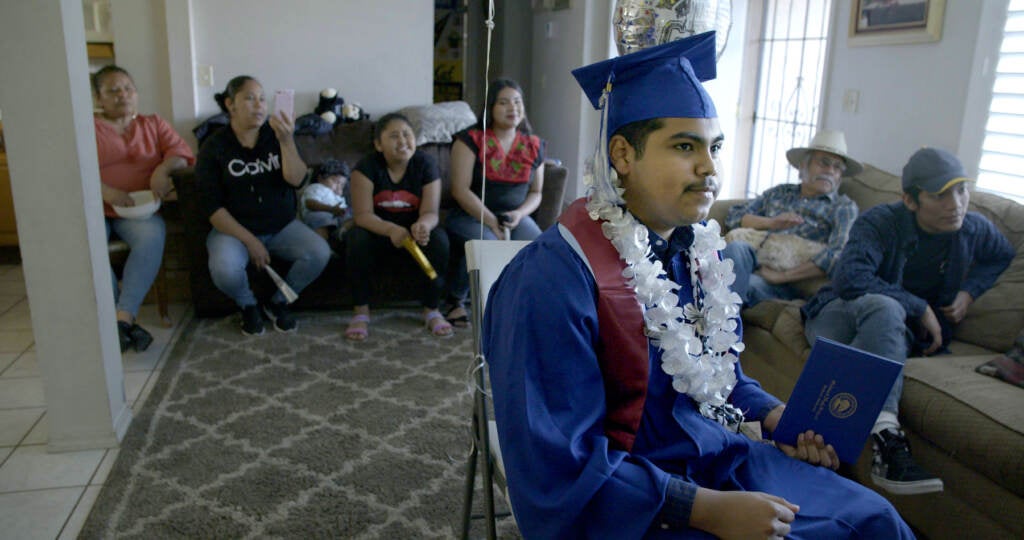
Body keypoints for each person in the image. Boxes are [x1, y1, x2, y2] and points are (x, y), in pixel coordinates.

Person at [483, 32, 913, 539]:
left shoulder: (696, 253)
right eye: (685, 147)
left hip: (719, 457)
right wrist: (706, 510)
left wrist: (773, 415)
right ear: (622, 154)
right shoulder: (551, 280)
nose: (710, 168)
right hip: (632, 494)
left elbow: (714, 373)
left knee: (877, 520)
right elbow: (556, 461)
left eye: (715, 147)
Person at [802, 146, 1015, 496]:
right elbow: (849, 279)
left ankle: (826, 465)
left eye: (961, 190)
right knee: (886, 308)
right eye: (939, 195)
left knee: (855, 367)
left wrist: (970, 292)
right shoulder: (881, 221)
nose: (956, 204)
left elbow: (1001, 255)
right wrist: (919, 306)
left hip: (894, 337)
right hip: (841, 315)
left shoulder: (973, 229)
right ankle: (887, 438)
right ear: (910, 200)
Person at [195, 75, 330, 335]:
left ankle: (278, 301)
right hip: (232, 230)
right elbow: (212, 208)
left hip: (280, 226)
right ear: (230, 104)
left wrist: (287, 140)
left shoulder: (276, 135)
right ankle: (248, 305)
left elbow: (298, 180)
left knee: (319, 253)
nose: (259, 105)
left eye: (262, 99)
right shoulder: (213, 147)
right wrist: (250, 241)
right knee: (224, 268)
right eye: (249, 98)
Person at [92, 65, 194, 353]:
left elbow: (181, 154)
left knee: (151, 237)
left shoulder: (153, 124)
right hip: (96, 207)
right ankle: (113, 319)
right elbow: (73, 168)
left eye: (128, 89)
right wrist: (107, 192)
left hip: (138, 210)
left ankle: (124, 318)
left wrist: (163, 169)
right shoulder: (86, 127)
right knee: (88, 245)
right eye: (113, 90)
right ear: (99, 98)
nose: (123, 95)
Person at [443, 79, 546, 328]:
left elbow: (537, 192)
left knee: (539, 246)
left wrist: (520, 214)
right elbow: (459, 190)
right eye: (503, 102)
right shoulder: (469, 140)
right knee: (488, 244)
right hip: (470, 213)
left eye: (517, 102)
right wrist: (491, 221)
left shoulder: (534, 144)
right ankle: (455, 301)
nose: (512, 107)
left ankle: (520, 303)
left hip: (513, 216)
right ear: (490, 107)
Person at [721, 130, 861, 306]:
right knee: (734, 250)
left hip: (787, 281)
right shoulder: (781, 192)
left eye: (837, 167)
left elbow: (838, 254)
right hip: (754, 258)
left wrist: (781, 277)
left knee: (744, 284)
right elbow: (734, 216)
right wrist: (771, 223)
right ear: (803, 166)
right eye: (824, 163)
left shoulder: (843, 208)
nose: (830, 171)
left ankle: (716, 327)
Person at [343, 113, 452, 341]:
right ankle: (361, 312)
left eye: (407, 134)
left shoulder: (426, 164)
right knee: (356, 238)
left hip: (413, 235)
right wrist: (391, 230)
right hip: (378, 232)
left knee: (440, 240)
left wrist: (423, 225)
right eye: (394, 136)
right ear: (378, 145)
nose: (402, 141)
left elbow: (431, 212)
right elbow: (362, 215)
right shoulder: (365, 168)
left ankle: (432, 309)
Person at [299, 158, 351, 243]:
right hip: (317, 213)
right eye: (335, 181)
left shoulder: (338, 197)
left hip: (336, 217)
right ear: (320, 178)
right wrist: (331, 209)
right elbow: (310, 203)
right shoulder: (317, 187)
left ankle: (341, 234)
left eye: (342, 185)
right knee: (322, 218)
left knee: (351, 218)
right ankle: (322, 243)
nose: (338, 187)